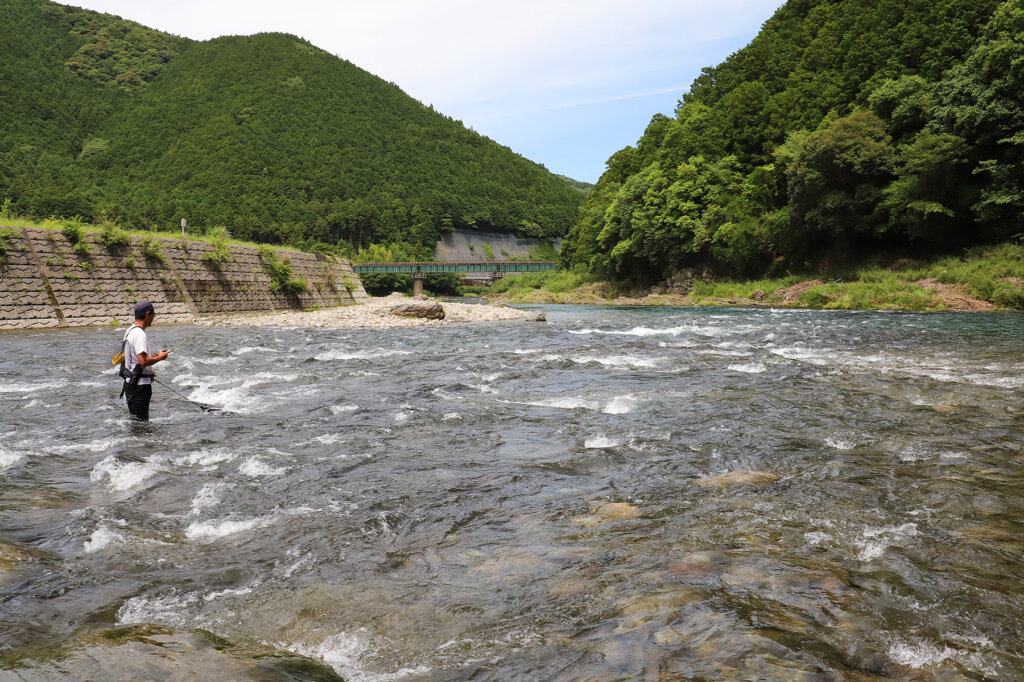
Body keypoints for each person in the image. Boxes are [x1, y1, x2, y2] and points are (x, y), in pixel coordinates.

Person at [121, 301, 169, 421]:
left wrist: (154, 355)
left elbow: (137, 358)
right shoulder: (139, 334)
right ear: (148, 314)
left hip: (131, 384)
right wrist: (161, 357)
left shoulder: (130, 330)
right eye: (154, 315)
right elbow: (143, 362)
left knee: (137, 422)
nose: (153, 318)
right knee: (141, 423)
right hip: (140, 387)